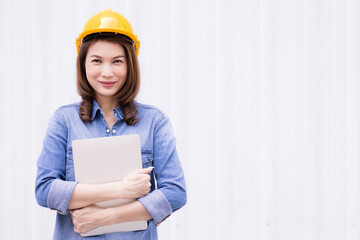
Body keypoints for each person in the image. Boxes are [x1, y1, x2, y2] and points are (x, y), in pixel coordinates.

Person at [35, 9, 186, 240]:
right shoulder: (64, 120)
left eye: (117, 61)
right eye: (97, 61)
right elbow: (45, 190)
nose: (107, 72)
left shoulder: (155, 122)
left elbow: (175, 193)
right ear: (83, 64)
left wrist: (107, 217)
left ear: (130, 65)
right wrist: (120, 190)